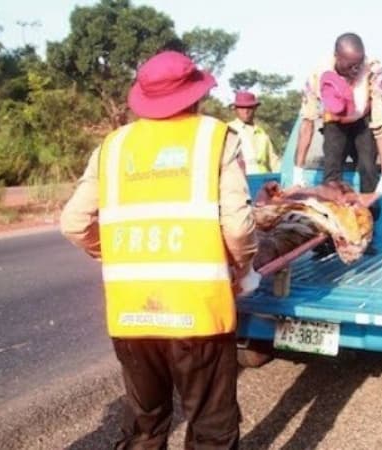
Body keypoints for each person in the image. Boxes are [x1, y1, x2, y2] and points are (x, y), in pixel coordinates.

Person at [60, 50, 260, 450]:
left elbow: (73, 223)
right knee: (211, 429)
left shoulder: (112, 146)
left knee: (145, 428)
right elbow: (238, 226)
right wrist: (242, 267)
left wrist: (115, 253)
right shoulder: (215, 138)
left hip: (132, 312)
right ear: (195, 96)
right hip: (199, 311)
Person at [293, 32, 382, 202]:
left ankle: (369, 219)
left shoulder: (374, 71)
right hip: (335, 120)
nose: (355, 70)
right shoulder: (318, 75)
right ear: (337, 57)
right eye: (350, 65)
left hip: (363, 119)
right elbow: (307, 123)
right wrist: (298, 171)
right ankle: (333, 215)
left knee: (368, 168)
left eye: (358, 64)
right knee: (331, 170)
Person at [227, 91, 280, 174]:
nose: (246, 111)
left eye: (249, 108)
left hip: (262, 181)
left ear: (255, 108)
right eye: (242, 108)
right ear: (235, 109)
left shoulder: (261, 133)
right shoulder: (229, 130)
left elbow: (274, 161)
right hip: (239, 181)